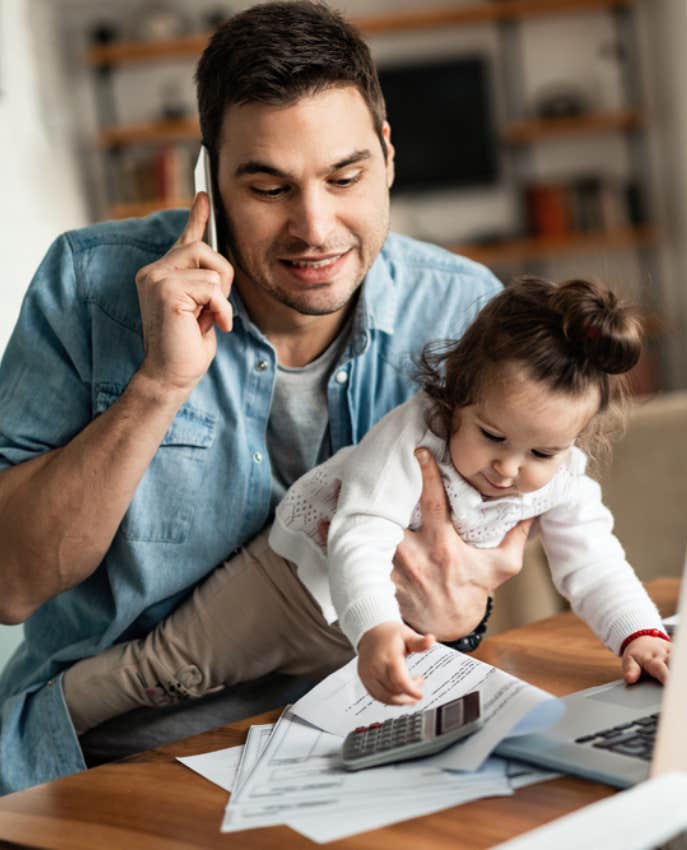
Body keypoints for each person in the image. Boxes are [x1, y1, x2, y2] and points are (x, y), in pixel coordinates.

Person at [0, 2, 527, 794]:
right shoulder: (87, 287)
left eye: (344, 178)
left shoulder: (463, 313)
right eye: (269, 187)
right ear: (208, 182)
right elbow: (11, 583)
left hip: (368, 738)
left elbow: (470, 572)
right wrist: (159, 384)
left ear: (387, 156)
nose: (314, 227)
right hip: (117, 755)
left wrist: (465, 613)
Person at [62, 276, 671, 734]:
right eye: (491, 436)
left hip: (369, 633)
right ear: (457, 396)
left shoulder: (562, 479)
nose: (509, 470)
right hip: (290, 586)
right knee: (165, 674)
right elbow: (360, 535)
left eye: (543, 451)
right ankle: (43, 719)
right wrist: (378, 628)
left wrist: (638, 636)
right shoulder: (414, 437)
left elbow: (593, 562)